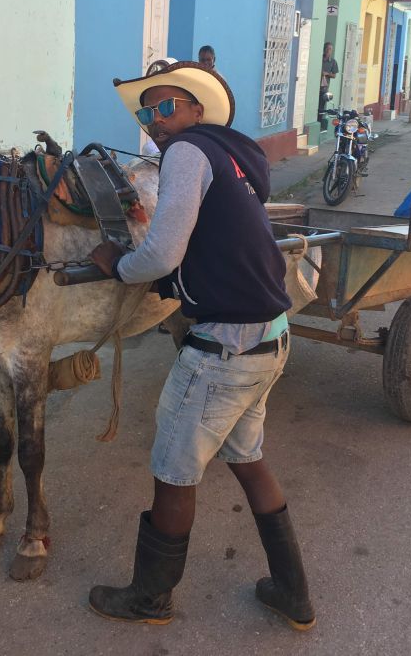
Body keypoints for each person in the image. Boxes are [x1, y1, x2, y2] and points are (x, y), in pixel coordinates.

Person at [87, 61, 315, 630]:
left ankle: (149, 598)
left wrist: (116, 263)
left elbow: (161, 254)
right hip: (270, 336)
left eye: (166, 107)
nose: (156, 121)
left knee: (173, 470)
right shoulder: (231, 157)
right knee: (248, 458)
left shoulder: (187, 152)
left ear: (194, 110)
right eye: (148, 112)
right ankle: (293, 593)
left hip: (225, 347)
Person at [318, 41, 339, 116]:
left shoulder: (333, 62)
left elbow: (334, 75)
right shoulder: (319, 58)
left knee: (321, 107)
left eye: (330, 49)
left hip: (324, 88)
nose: (328, 50)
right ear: (324, 49)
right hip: (315, 87)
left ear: (331, 51)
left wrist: (326, 73)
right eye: (327, 48)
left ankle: (319, 122)